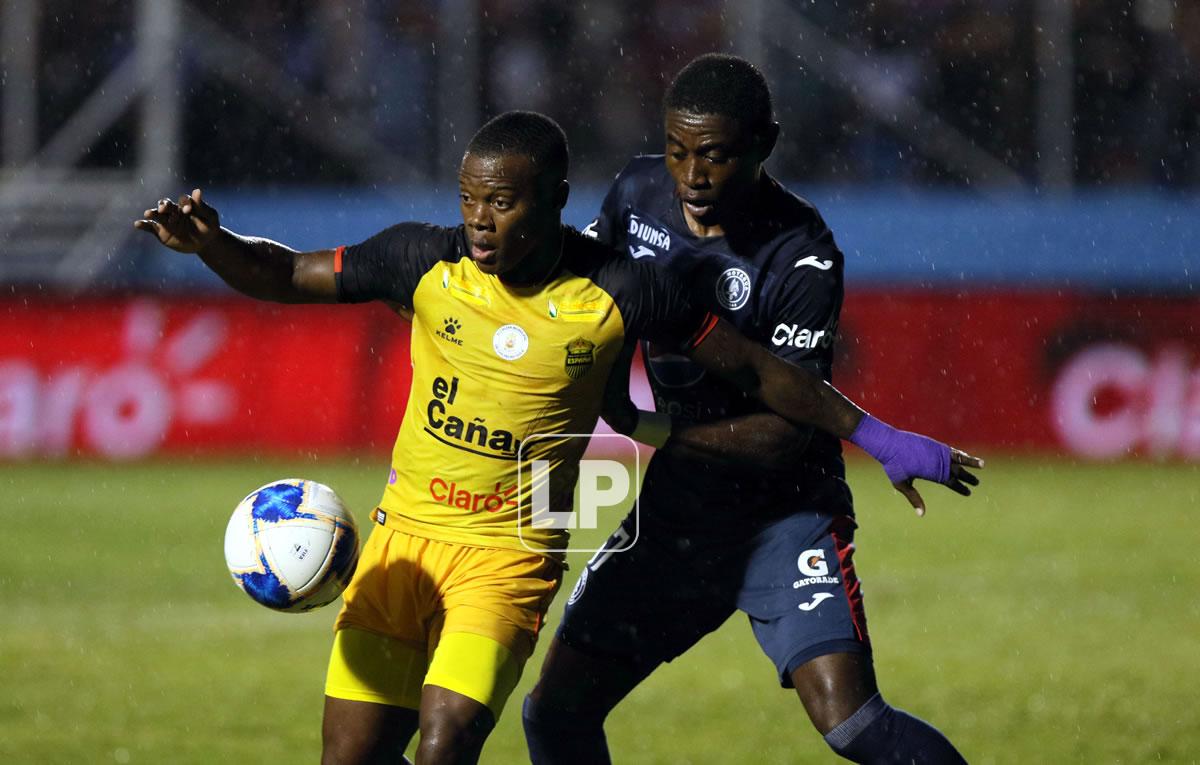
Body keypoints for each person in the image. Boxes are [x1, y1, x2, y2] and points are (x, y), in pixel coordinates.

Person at [135, 110, 979, 765]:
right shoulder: (422, 262)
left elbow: (763, 372)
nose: (479, 221)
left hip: (509, 553)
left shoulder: (623, 288)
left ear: (553, 199)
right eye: (469, 198)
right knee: (350, 752)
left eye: (500, 202)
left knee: (447, 738)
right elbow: (288, 274)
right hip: (405, 538)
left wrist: (874, 433)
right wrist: (215, 245)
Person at [523, 56, 977, 764]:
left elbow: (786, 435)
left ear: (765, 143)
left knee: (853, 723)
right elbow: (594, 300)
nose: (691, 174)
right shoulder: (636, 192)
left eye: (715, 154)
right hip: (676, 516)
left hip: (784, 515)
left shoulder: (802, 255)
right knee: (554, 713)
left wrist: (655, 431)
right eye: (678, 150)